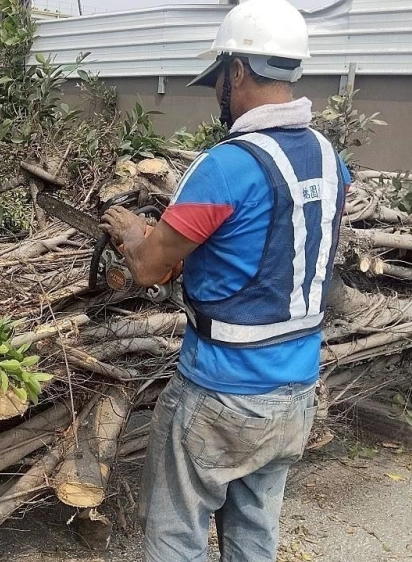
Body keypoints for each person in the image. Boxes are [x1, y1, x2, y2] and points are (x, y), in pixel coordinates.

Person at [99, 0, 352, 560]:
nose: (218, 89)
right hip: (296, 392)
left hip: (221, 394)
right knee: (254, 535)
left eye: (219, 76)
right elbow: (268, 248)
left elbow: (148, 270)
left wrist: (137, 232)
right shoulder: (330, 159)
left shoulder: (226, 165)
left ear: (237, 71)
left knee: (175, 533)